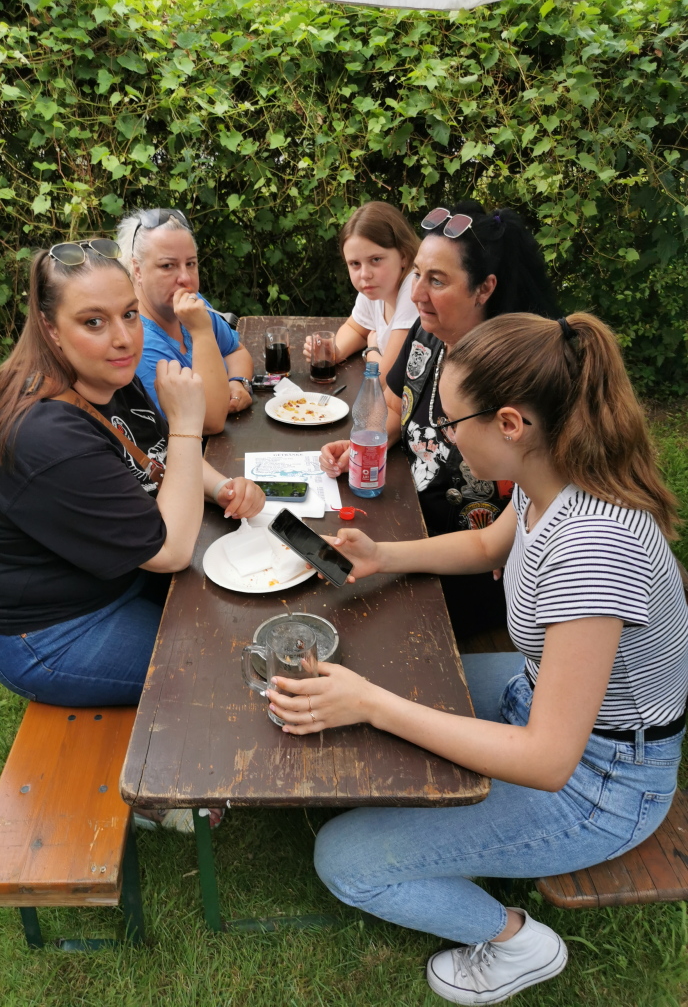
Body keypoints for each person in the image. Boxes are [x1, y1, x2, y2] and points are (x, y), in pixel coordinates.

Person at [267, 311, 688, 1005]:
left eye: (455, 422)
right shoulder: (552, 478)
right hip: (537, 695)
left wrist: (371, 704)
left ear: (511, 424)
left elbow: (547, 761)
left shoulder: (593, 551)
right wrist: (381, 557)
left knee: (346, 857)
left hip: (602, 783)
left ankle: (516, 941)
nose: (445, 436)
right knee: (395, 681)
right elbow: (490, 544)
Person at [0, 238, 265, 708]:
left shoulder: (108, 374)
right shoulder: (44, 435)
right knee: (223, 670)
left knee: (246, 615)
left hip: (117, 572)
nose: (123, 338)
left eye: (129, 314)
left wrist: (221, 487)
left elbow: (160, 456)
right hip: (50, 627)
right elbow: (169, 551)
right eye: (93, 322)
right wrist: (186, 422)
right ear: (50, 328)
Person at [319, 202, 559, 637]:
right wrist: (364, 444)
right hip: (402, 516)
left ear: (484, 288)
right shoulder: (426, 335)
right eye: (417, 275)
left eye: (437, 280)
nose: (415, 294)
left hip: (465, 571)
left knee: (359, 626)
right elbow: (396, 407)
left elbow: (508, 533)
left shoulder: (519, 378)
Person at [117, 208, 255, 432]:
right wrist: (201, 331)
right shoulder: (138, 341)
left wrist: (238, 382)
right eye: (167, 266)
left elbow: (235, 351)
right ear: (137, 269)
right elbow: (209, 422)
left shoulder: (191, 304)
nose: (185, 278)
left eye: (190, 264)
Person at [303, 201, 419, 383]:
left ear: (404, 255)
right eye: (355, 264)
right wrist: (333, 352)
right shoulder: (376, 288)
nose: (365, 274)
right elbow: (356, 329)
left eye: (376, 260)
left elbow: (387, 380)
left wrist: (372, 350)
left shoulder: (415, 289)